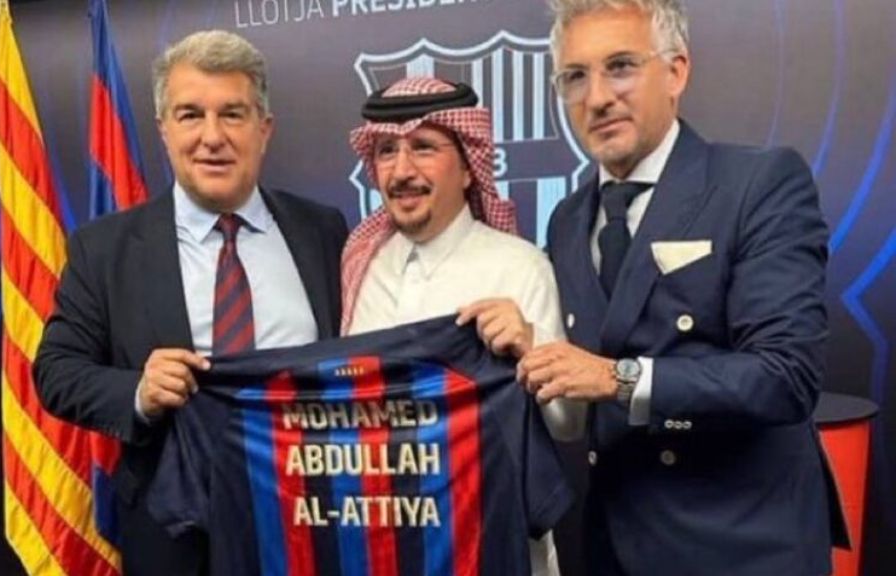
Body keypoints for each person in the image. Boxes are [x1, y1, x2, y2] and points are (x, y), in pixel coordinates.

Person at [517, 1, 848, 574]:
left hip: (742, 547)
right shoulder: (567, 218)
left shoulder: (758, 183)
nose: (596, 98)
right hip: (612, 548)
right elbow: (578, 388)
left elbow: (785, 376)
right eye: (575, 77)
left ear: (676, 72)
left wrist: (618, 379)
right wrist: (527, 347)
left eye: (620, 66)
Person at [33, 30, 348, 575]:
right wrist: (137, 390)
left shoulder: (322, 230)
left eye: (232, 114)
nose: (212, 136)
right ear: (163, 129)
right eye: (189, 115)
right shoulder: (105, 249)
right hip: (171, 531)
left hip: (309, 518)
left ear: (263, 129)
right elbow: (56, 372)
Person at [341, 76, 583, 576]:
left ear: (469, 168)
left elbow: (570, 423)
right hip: (384, 544)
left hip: (492, 543)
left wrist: (529, 346)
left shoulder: (517, 266)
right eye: (387, 151)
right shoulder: (360, 262)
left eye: (424, 148)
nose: (402, 171)